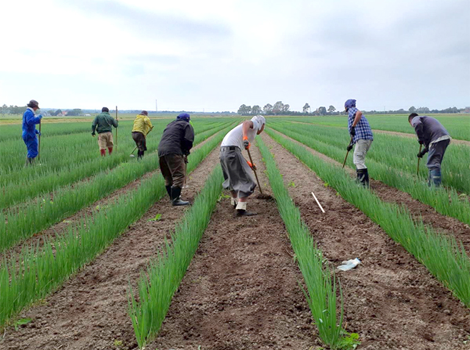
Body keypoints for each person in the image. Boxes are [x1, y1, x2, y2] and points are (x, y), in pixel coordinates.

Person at [220, 115, 266, 217]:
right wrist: (245, 137)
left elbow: (237, 152)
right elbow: (246, 123)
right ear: (262, 124)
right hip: (231, 151)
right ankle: (240, 209)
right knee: (248, 180)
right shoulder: (254, 124)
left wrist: (248, 164)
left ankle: (235, 202)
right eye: (264, 126)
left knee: (232, 178)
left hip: (224, 152)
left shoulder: (248, 130)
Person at [158, 113, 195, 206]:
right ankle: (176, 200)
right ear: (187, 119)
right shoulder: (186, 125)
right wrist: (186, 151)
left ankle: (172, 197)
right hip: (173, 151)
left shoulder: (170, 124)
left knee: (168, 176)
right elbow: (188, 140)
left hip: (161, 151)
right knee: (178, 175)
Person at [409, 113, 451, 187]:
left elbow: (417, 124)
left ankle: (435, 188)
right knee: (433, 163)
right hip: (444, 137)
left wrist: (420, 138)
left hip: (437, 138)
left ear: (410, 121)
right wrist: (423, 152)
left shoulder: (415, 119)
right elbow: (429, 146)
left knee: (433, 164)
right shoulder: (425, 120)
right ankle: (430, 184)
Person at [345, 99, 373, 188]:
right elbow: (355, 133)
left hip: (362, 138)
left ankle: (363, 184)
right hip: (365, 138)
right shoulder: (353, 113)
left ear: (347, 107)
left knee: (358, 160)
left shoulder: (352, 109)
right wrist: (351, 144)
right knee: (358, 159)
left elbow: (359, 113)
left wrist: (353, 126)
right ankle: (359, 179)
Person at [22, 100, 43, 165]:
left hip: (29, 133)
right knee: (33, 150)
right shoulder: (29, 112)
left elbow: (29, 126)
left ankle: (32, 165)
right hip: (29, 135)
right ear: (34, 107)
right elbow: (29, 122)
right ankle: (28, 165)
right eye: (36, 107)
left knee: (32, 150)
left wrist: (36, 131)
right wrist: (38, 119)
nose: (36, 109)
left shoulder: (29, 112)